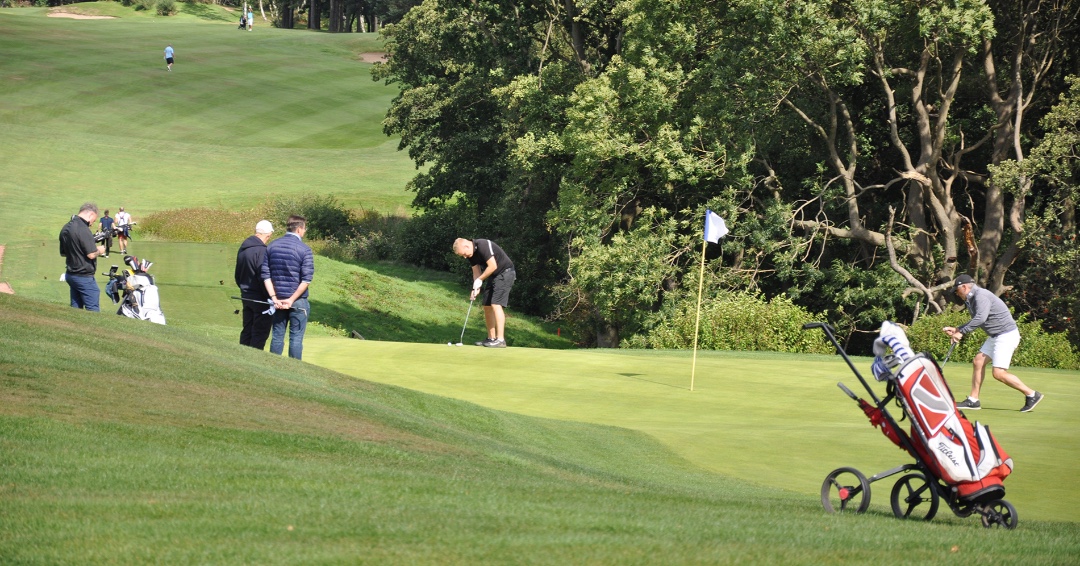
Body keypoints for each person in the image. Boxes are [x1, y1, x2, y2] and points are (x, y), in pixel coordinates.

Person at [944, 274, 1044, 412]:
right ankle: (973, 400)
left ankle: (1032, 394)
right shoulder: (972, 298)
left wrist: (962, 332)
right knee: (978, 361)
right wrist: (958, 329)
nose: (957, 293)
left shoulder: (980, 296)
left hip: (1006, 335)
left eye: (957, 290)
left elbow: (981, 318)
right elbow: (977, 319)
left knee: (998, 373)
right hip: (996, 336)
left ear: (964, 287)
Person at [261, 215, 314, 360]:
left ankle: (273, 367)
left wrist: (274, 298)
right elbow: (306, 280)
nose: (305, 231)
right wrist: (291, 300)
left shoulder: (272, 246)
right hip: (298, 301)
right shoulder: (305, 249)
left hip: (278, 300)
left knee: (277, 336)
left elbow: (266, 276)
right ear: (299, 229)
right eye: (304, 229)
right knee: (296, 338)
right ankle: (294, 370)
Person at [453, 238, 516, 347]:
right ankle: (491, 338)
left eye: (464, 254)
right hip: (494, 276)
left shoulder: (483, 245)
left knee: (496, 304)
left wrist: (480, 279)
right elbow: (476, 272)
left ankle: (500, 340)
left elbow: (493, 266)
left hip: (506, 273)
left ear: (466, 246)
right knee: (487, 306)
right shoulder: (471, 255)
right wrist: (475, 288)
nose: (465, 257)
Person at [59, 203, 107, 311]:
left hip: (71, 274)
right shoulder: (83, 229)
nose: (92, 224)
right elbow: (91, 254)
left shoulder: (66, 227)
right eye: (93, 220)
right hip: (83, 276)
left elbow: (63, 253)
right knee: (92, 309)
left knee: (76, 309)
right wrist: (100, 250)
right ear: (90, 214)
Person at [235, 220, 275, 350]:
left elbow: (237, 275)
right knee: (260, 332)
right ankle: (253, 359)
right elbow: (263, 276)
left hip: (246, 295)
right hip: (260, 298)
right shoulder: (262, 251)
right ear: (268, 235)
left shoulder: (243, 249)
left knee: (247, 330)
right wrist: (270, 296)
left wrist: (244, 289)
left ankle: (242, 356)